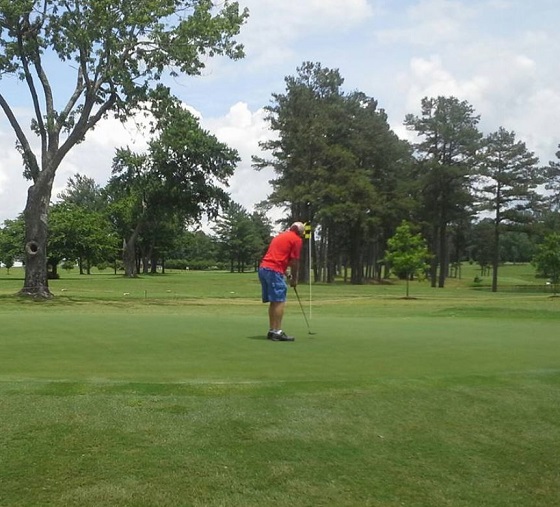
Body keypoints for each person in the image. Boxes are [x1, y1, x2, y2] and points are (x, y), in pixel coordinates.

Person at [258, 221, 305, 341]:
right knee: (279, 300)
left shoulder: (280, 236)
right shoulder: (296, 239)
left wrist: (287, 274)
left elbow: (279, 258)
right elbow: (294, 262)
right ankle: (277, 332)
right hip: (273, 270)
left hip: (264, 269)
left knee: (274, 301)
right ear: (299, 232)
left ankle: (272, 330)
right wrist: (294, 279)